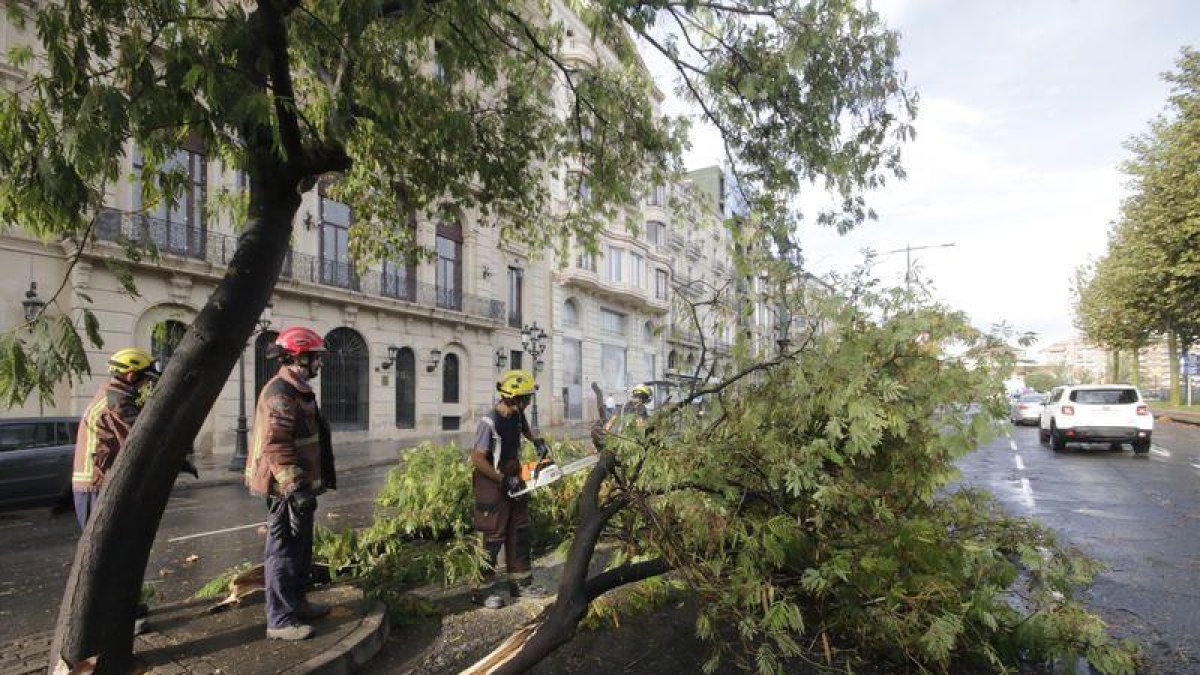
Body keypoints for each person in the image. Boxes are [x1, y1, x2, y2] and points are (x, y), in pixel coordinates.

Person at [245, 327, 337, 641]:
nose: (319, 364)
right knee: (282, 553)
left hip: (298, 487)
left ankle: (298, 602)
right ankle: (280, 620)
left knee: (301, 549)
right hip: (283, 489)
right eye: (316, 358)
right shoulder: (281, 393)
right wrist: (296, 487)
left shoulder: (295, 389)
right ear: (300, 356)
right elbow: (276, 445)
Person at [471, 369, 551, 608]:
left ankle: (521, 584)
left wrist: (537, 441)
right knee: (491, 535)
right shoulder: (489, 422)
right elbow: (477, 458)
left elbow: (526, 429)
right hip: (491, 480)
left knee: (519, 528)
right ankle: (482, 590)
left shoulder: (516, 415)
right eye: (526, 399)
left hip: (514, 474)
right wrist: (502, 479)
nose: (528, 403)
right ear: (514, 398)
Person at [72, 347, 162, 529]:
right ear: (131, 376)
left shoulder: (115, 395)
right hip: (95, 484)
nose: (147, 384)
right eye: (146, 378)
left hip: (97, 481)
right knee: (102, 548)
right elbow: (139, 438)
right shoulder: (116, 401)